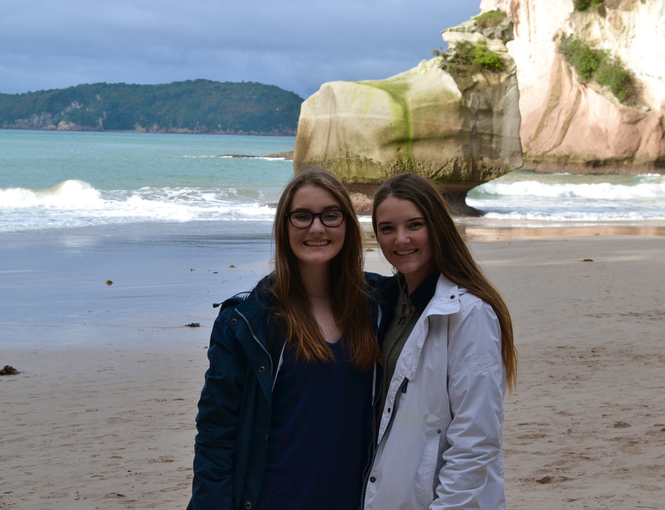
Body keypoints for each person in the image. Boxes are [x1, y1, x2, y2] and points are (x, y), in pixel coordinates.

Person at [188, 169, 381, 510]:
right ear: (284, 226)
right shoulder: (247, 321)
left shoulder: (380, 306)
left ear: (348, 225)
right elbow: (216, 435)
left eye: (330, 216)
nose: (317, 228)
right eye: (302, 217)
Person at [364, 173, 517, 510]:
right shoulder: (391, 303)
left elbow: (476, 437)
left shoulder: (469, 313)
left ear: (437, 227)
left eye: (414, 225)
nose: (401, 239)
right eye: (387, 228)